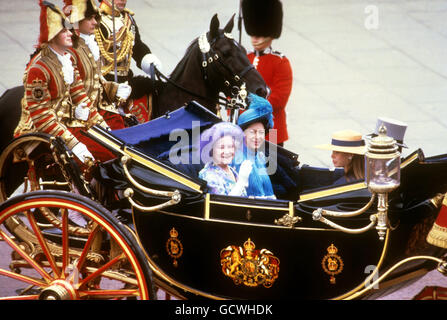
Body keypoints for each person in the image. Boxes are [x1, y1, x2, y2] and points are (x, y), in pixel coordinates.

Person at [15, 1, 114, 165]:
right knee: (97, 158)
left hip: (67, 125)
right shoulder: (38, 69)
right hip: (44, 133)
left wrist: (105, 129)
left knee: (109, 148)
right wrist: (74, 143)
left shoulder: (65, 60)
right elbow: (42, 118)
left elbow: (81, 96)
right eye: (63, 31)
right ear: (52, 36)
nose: (70, 33)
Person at [63, 0, 132, 130]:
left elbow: (96, 83)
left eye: (95, 18)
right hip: (80, 115)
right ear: (77, 21)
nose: (95, 22)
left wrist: (115, 89)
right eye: (90, 18)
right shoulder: (70, 52)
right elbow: (64, 93)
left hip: (97, 108)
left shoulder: (88, 44)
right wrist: (74, 111)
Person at [95, 0, 162, 123]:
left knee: (159, 91)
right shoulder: (95, 20)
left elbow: (137, 47)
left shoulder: (128, 19)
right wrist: (110, 88)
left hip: (127, 82)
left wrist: (148, 59)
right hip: (103, 85)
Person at [242, 0, 293, 147]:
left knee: (271, 168)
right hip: (245, 128)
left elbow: (278, 99)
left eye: (259, 34)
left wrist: (250, 106)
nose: (254, 38)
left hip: (272, 130)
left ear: (270, 35)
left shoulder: (280, 62)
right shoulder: (246, 58)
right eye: (252, 33)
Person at [235, 93, 276, 199]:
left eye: (261, 132)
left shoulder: (260, 156)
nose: (258, 137)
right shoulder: (236, 158)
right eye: (253, 132)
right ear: (243, 133)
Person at [198, 122, 252, 196]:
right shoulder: (208, 174)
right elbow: (224, 205)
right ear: (211, 150)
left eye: (231, 147)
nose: (227, 152)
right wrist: (241, 182)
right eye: (221, 147)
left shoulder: (232, 171)